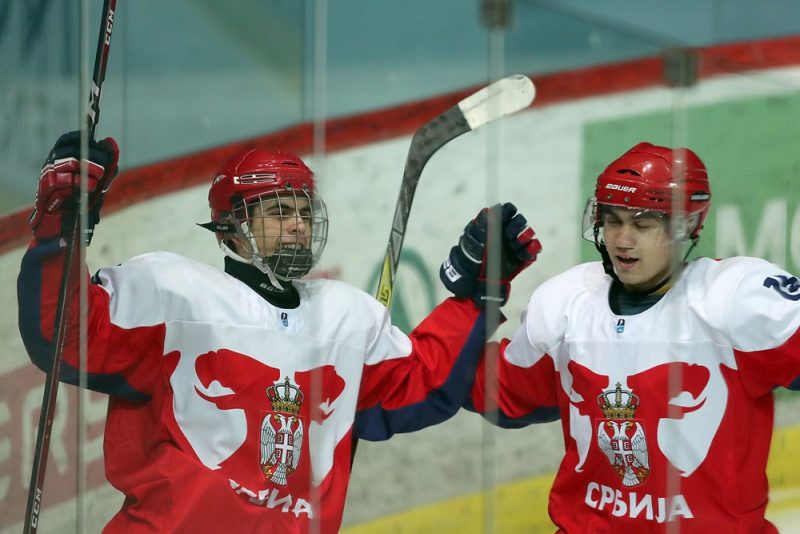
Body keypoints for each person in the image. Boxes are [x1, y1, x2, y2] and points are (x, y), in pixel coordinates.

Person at [17, 131, 541, 533]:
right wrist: (61, 232)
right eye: (277, 212)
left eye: (303, 212)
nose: (296, 226)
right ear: (229, 228)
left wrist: (475, 298)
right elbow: (66, 332)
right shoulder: (173, 293)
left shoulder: (344, 317)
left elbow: (423, 383)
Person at [441, 142, 800, 532]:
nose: (622, 240)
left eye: (643, 224)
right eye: (613, 221)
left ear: (688, 226)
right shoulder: (568, 302)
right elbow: (483, 388)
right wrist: (474, 303)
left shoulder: (735, 298)